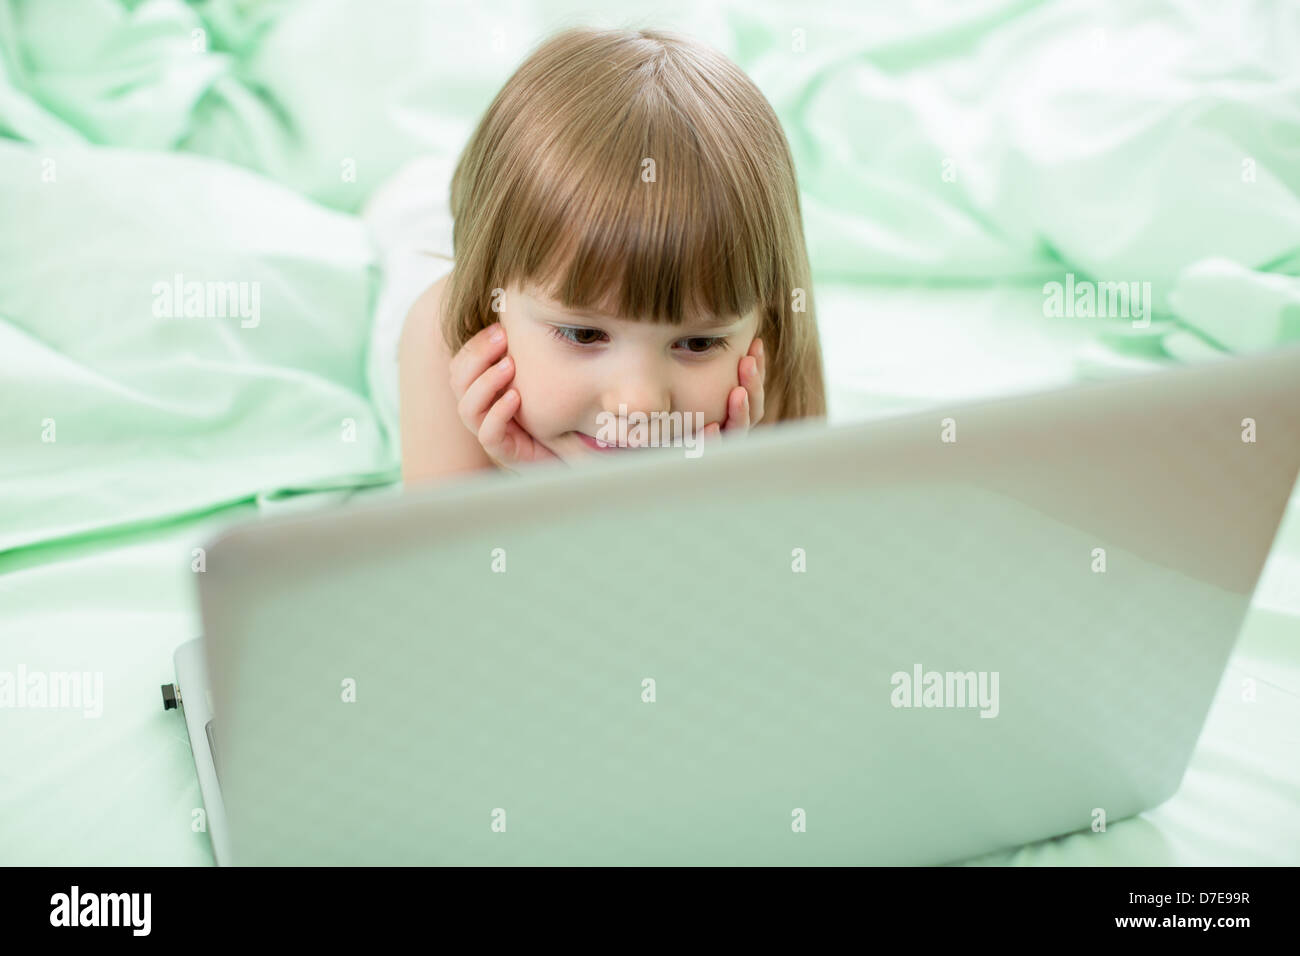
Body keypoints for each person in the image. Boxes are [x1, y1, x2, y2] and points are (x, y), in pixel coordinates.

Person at [398, 26, 826, 485]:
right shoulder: (440, 336)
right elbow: (459, 555)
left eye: (698, 343)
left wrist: (698, 485)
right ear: (489, 301)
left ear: (768, 316)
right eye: (584, 334)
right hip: (422, 237)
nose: (639, 403)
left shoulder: (767, 357)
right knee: (410, 206)